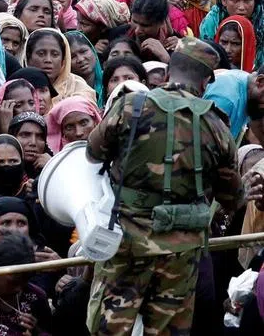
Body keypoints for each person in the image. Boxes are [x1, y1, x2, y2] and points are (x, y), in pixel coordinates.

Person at [86, 39, 241, 336]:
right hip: (182, 251)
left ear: (168, 71)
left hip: (128, 243)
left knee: (109, 327)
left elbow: (93, 153)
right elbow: (231, 197)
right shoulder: (217, 125)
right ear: (207, 80)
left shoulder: (131, 105)